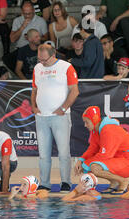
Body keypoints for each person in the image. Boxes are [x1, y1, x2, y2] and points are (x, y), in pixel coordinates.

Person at [32, 44, 79, 192]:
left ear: (53, 55)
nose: (42, 62)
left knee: (64, 152)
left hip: (60, 117)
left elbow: (75, 91)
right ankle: (44, 183)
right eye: (40, 59)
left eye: (44, 59)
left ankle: (66, 181)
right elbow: (34, 90)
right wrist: (33, 106)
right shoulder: (37, 68)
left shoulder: (66, 67)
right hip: (41, 117)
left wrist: (63, 108)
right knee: (43, 154)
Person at [74, 105, 129, 195]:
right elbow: (92, 148)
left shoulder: (108, 129)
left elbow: (106, 155)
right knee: (90, 166)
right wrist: (81, 160)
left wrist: (85, 164)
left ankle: (123, 181)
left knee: (94, 167)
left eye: (87, 122)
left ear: (94, 119)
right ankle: (115, 182)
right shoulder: (95, 131)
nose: (85, 125)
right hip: (118, 159)